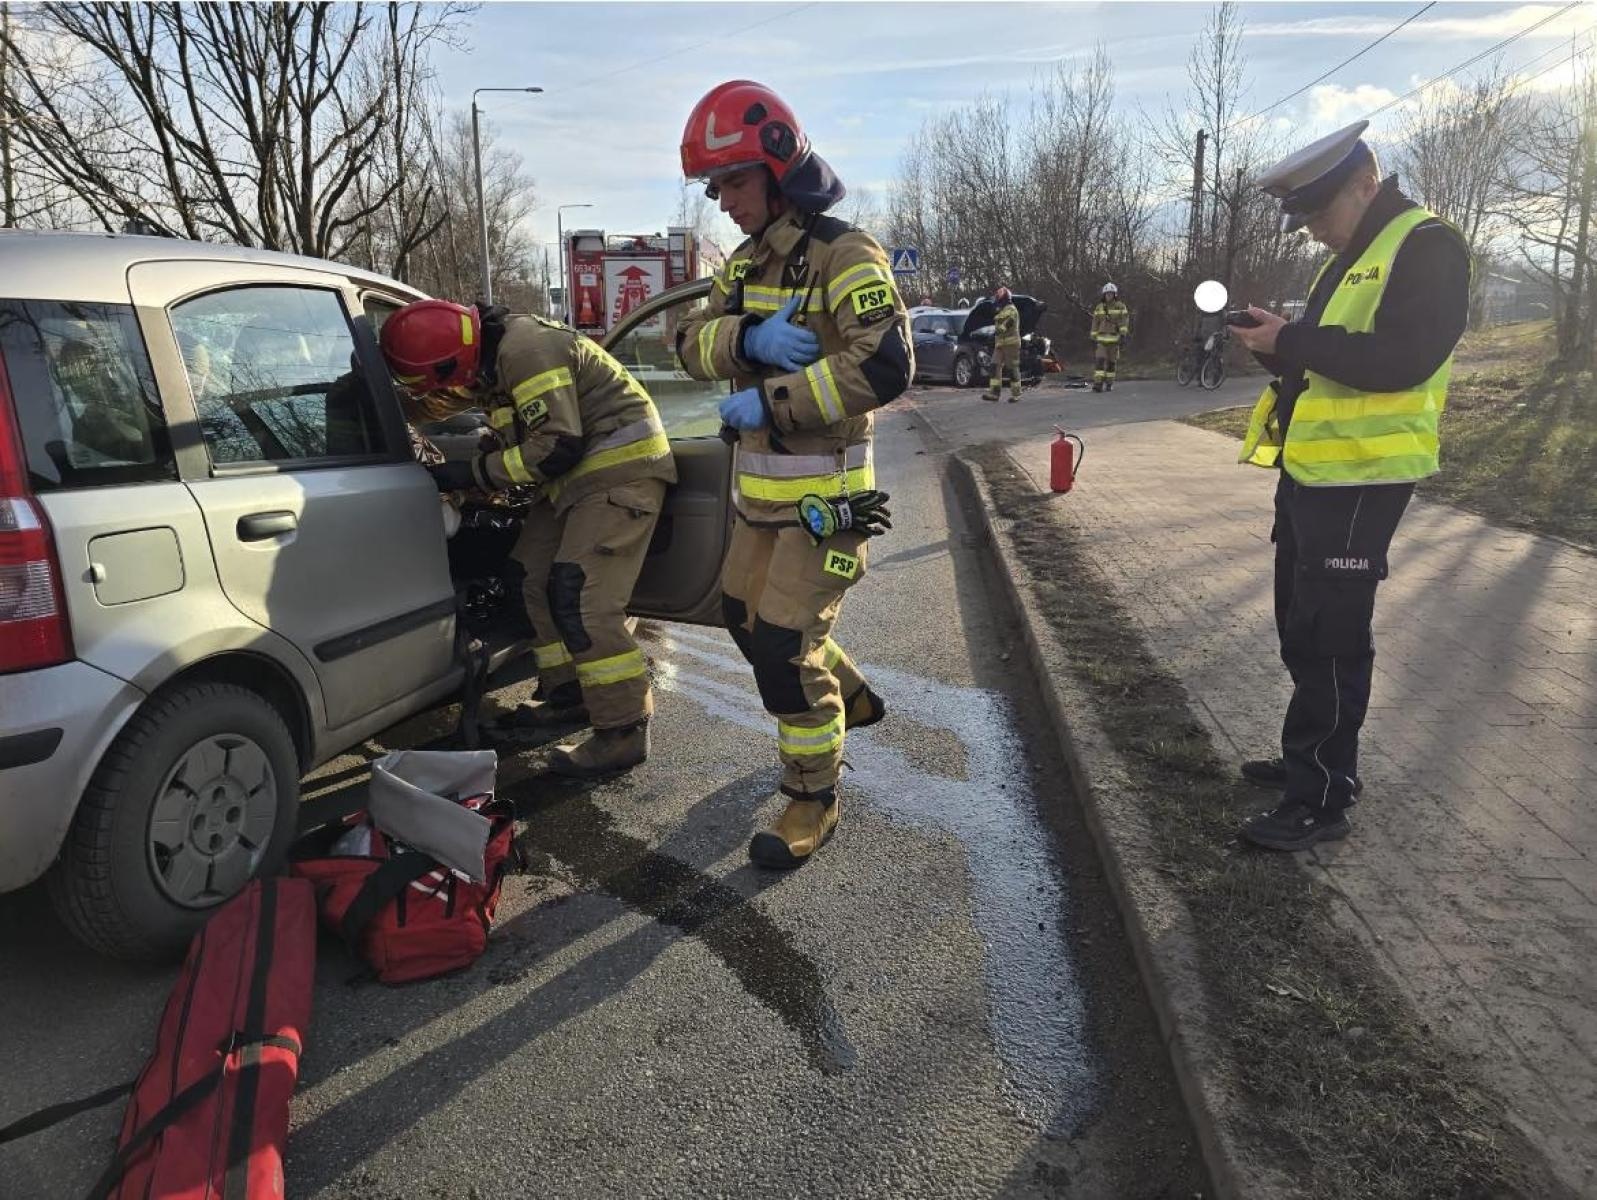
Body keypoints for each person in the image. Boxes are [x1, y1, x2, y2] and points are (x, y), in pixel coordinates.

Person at [676, 80, 912, 869]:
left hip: (829, 510)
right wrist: (746, 338)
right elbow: (685, 343)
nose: (722, 202)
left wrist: (771, 403)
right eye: (714, 188)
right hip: (758, 504)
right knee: (745, 624)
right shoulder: (742, 266)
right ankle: (846, 690)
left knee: (781, 649)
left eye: (732, 182)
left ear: (779, 168)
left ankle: (812, 796)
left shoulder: (847, 253)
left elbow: (884, 363)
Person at [1228, 119, 1470, 852]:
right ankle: (1314, 761)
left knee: (1330, 636)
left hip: (1364, 479)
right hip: (1312, 473)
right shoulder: (1353, 253)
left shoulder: (1426, 245)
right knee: (1300, 626)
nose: (1309, 232)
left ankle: (1321, 798)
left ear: (1366, 182)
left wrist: (1293, 339)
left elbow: (1403, 358)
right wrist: (1276, 347)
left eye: (1318, 213)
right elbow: (1331, 364)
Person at [379, 300, 677, 779]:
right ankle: (569, 695)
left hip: (621, 475)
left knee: (580, 595)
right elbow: (439, 401)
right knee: (527, 577)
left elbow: (556, 444)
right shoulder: (486, 359)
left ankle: (623, 729)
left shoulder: (525, 350)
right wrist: (373, 398)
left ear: (455, 360)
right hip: (572, 484)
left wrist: (470, 472)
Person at [982, 285, 1023, 403]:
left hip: (1012, 344)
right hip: (1000, 344)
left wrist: (996, 331)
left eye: (999, 292)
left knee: (1012, 369)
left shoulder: (1011, 309)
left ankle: (1016, 394)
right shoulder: (1000, 309)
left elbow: (1007, 324)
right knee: (994, 366)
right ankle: (994, 393)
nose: (997, 294)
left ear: (1006, 295)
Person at [1089, 283, 1130, 392]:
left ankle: (1109, 383)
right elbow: (1095, 322)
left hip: (1114, 340)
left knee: (1112, 363)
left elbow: (1124, 321)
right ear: (1104, 294)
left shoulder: (1121, 306)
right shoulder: (1099, 307)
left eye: (1111, 294)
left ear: (1115, 295)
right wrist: (1093, 336)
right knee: (1099, 361)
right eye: (1107, 294)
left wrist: (1123, 335)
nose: (1109, 296)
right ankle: (1098, 384)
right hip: (1101, 340)